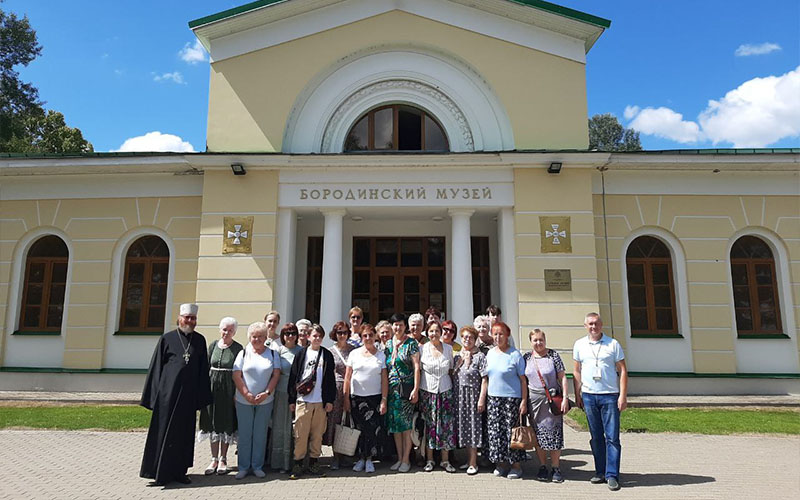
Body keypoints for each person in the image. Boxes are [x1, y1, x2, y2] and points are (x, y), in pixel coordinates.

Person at [140, 303, 212, 486]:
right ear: (179, 318)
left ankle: (180, 472)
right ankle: (158, 472)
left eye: (193, 318)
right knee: (163, 433)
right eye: (187, 317)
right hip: (167, 397)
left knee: (184, 436)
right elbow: (156, 368)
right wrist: (154, 396)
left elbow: (203, 370)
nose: (189, 321)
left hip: (188, 398)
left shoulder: (200, 341)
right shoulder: (167, 339)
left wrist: (202, 397)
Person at [573, 313, 628, 491]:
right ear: (585, 325)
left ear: (601, 325)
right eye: (590, 324)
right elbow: (576, 371)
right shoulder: (579, 345)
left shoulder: (613, 344)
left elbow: (623, 370)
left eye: (596, 323)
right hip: (589, 396)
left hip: (610, 396)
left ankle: (612, 475)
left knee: (612, 437)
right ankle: (600, 471)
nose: (593, 327)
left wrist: (623, 396)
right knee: (596, 437)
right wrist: (578, 394)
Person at [232, 322, 281, 479]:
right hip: (243, 400)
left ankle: (257, 466)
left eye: (260, 336)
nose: (257, 339)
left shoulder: (273, 354)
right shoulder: (243, 353)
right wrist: (246, 393)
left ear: (266, 338)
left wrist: (266, 393)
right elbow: (236, 375)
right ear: (249, 338)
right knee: (245, 434)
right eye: (254, 336)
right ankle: (243, 467)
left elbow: (276, 375)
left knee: (260, 434)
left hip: (265, 400)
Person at [287, 324, 336, 479]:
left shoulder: (326, 355)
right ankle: (298, 464)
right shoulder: (301, 354)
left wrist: (329, 400)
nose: (317, 339)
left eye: (319, 336)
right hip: (303, 401)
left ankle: (314, 463)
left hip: (320, 401)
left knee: (317, 434)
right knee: (301, 434)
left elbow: (330, 380)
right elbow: (293, 377)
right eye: (314, 336)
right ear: (308, 337)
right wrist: (291, 399)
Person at [481, 321, 527, 479]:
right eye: (495, 334)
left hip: (511, 400)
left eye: (501, 334)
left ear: (507, 336)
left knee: (512, 434)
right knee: (496, 434)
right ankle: (500, 464)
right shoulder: (490, 353)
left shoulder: (515, 355)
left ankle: (516, 466)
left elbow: (523, 380)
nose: (498, 337)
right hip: (494, 399)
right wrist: (483, 398)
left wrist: (523, 401)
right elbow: (486, 378)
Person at [198, 316, 243, 476]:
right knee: (212, 423)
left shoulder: (238, 348)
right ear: (220, 329)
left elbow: (240, 373)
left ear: (235, 332)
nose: (227, 332)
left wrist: (237, 393)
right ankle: (213, 458)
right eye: (224, 329)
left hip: (228, 390)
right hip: (212, 389)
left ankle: (224, 458)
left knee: (226, 422)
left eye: (230, 330)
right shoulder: (212, 346)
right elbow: (205, 367)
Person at [524, 328, 569, 483]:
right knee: (538, 435)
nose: (538, 343)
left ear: (545, 340)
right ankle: (543, 466)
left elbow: (562, 377)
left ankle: (556, 468)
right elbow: (523, 381)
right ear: (530, 342)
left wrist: (565, 398)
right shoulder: (527, 358)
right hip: (534, 402)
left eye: (541, 340)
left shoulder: (553, 355)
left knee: (554, 434)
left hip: (552, 401)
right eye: (535, 340)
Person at [343, 323, 388, 473]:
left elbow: (384, 379)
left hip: (374, 398)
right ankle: (360, 458)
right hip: (357, 398)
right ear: (361, 337)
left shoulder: (381, 355)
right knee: (359, 429)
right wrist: (346, 398)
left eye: (370, 335)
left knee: (372, 429)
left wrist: (384, 399)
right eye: (365, 336)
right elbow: (348, 378)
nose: (368, 338)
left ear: (375, 336)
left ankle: (369, 459)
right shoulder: (354, 354)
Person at [419, 321, 457, 472]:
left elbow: (452, 369)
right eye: (431, 331)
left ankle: (445, 460)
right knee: (430, 425)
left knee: (446, 425)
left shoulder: (448, 349)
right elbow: (419, 369)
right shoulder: (422, 349)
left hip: (446, 391)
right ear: (427, 333)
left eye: (436, 331)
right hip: (428, 391)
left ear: (441, 332)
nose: (434, 334)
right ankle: (429, 459)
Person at [385, 312, 421, 473]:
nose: (397, 327)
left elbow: (417, 367)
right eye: (395, 324)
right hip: (392, 392)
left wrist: (415, 388)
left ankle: (406, 459)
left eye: (400, 324)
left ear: (405, 326)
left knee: (406, 426)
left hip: (406, 390)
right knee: (395, 426)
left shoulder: (411, 343)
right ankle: (399, 458)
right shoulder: (388, 344)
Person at [453, 326, 487, 475]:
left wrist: (481, 399)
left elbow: (485, 379)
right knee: (465, 428)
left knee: (473, 428)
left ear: (475, 340)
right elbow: (453, 374)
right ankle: (468, 460)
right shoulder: (458, 356)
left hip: (473, 396)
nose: (467, 339)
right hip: (460, 397)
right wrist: (461, 362)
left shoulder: (480, 356)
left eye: (470, 337)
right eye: (465, 337)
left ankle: (473, 462)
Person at [270, 323, 303, 473]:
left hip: (298, 393)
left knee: (296, 427)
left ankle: (296, 461)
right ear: (283, 336)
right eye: (287, 333)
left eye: (293, 333)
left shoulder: (302, 351)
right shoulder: (278, 351)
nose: (290, 336)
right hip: (281, 392)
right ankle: (280, 463)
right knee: (281, 426)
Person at [324, 320, 354, 470]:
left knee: (349, 422)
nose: (342, 335)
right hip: (336, 390)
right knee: (336, 423)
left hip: (351, 389)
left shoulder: (354, 350)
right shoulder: (329, 351)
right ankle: (336, 456)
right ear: (334, 334)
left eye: (345, 332)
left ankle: (347, 455)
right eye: (339, 332)